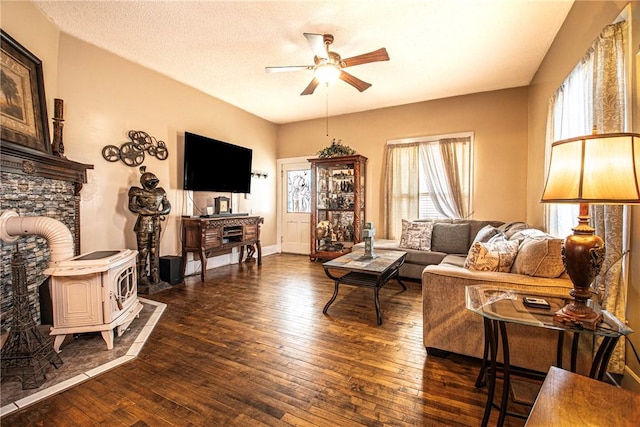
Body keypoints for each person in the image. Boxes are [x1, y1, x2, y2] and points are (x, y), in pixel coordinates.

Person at [128, 167, 171, 285]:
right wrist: (151, 212)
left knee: (155, 250)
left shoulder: (161, 192)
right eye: (149, 182)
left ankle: (155, 275)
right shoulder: (136, 191)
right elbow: (133, 207)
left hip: (156, 223)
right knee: (143, 251)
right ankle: (142, 276)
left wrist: (161, 212)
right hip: (143, 223)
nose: (152, 184)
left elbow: (167, 206)